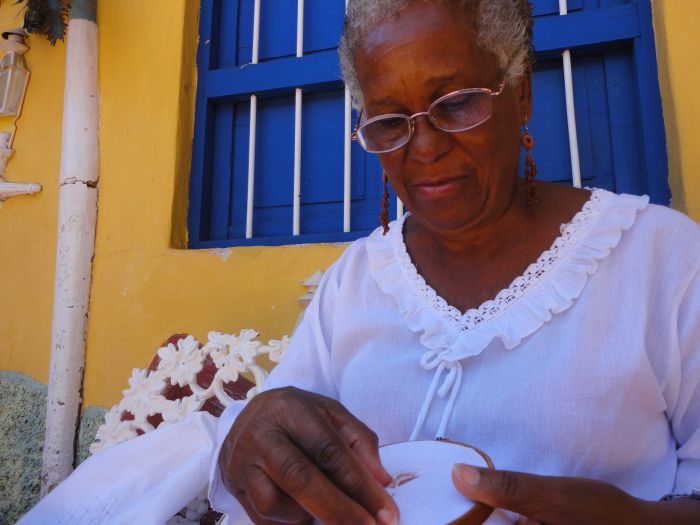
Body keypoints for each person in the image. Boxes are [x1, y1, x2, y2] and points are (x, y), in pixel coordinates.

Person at [17, 1, 700, 524]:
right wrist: (250, 437)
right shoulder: (358, 281)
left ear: (519, 93)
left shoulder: (661, 259)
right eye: (388, 121)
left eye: (455, 103)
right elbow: (276, 439)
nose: (423, 146)